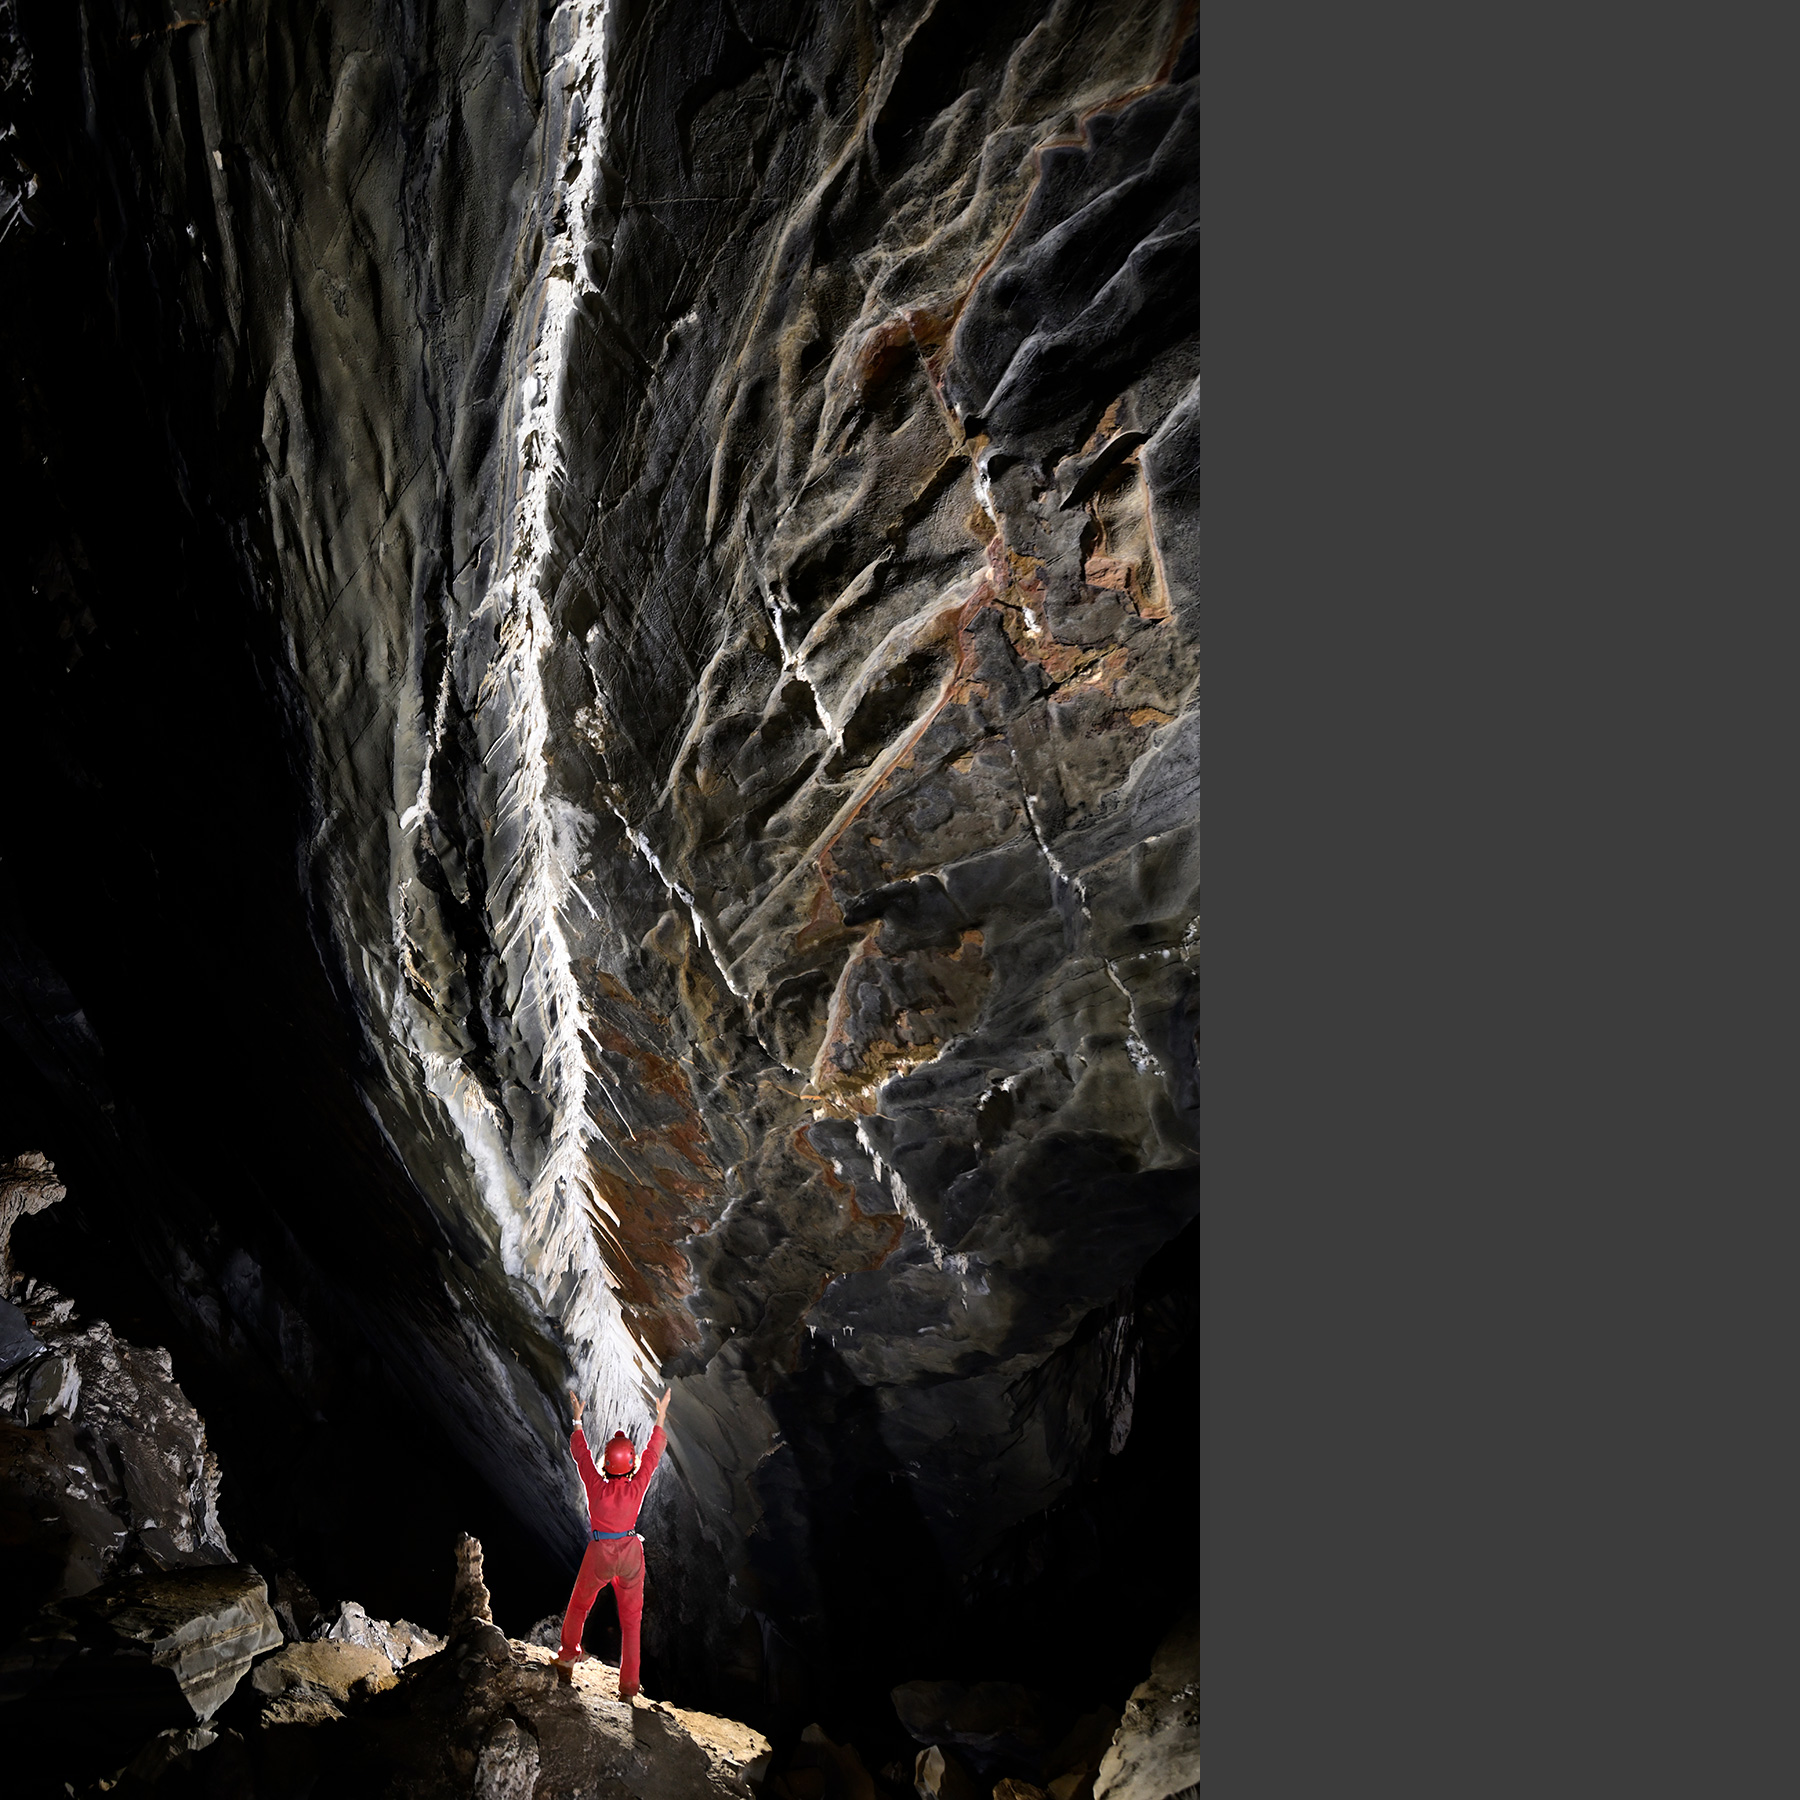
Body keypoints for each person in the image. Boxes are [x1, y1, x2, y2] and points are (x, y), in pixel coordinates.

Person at [555, 1384, 671, 1699]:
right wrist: (660, 1417)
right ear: (630, 1464)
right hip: (631, 1552)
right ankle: (629, 1688)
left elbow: (581, 1456)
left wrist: (578, 1420)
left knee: (579, 1605)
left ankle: (567, 1659)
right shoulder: (637, 1486)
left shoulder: (596, 1486)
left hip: (601, 1552)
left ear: (607, 1464)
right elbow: (652, 1456)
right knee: (631, 1622)